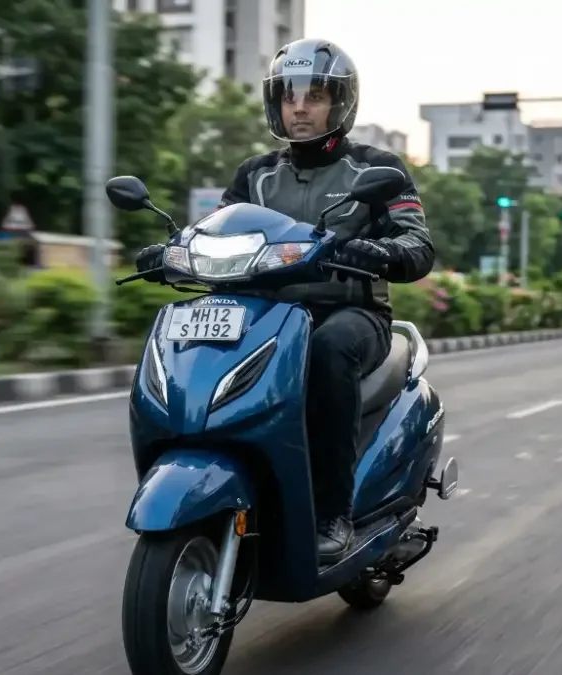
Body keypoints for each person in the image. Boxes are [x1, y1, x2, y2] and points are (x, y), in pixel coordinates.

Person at [134, 39, 435, 563]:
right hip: (263, 316)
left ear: (340, 103)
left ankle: (333, 512)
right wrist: (172, 251)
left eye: (315, 95)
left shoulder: (376, 168)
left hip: (349, 313)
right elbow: (215, 229)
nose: (300, 107)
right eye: (290, 95)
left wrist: (379, 250)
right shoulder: (255, 174)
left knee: (329, 350)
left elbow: (417, 242)